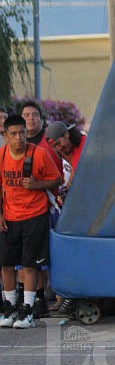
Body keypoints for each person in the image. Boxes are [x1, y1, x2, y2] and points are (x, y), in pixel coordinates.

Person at [0, 114, 62, 329]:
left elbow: (57, 179)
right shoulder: (1, 155)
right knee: (6, 264)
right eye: (14, 134)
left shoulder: (39, 154)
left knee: (30, 265)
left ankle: (28, 309)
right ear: (5, 135)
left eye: (22, 133)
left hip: (34, 215)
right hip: (9, 217)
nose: (19, 138)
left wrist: (37, 184)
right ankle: (9, 307)